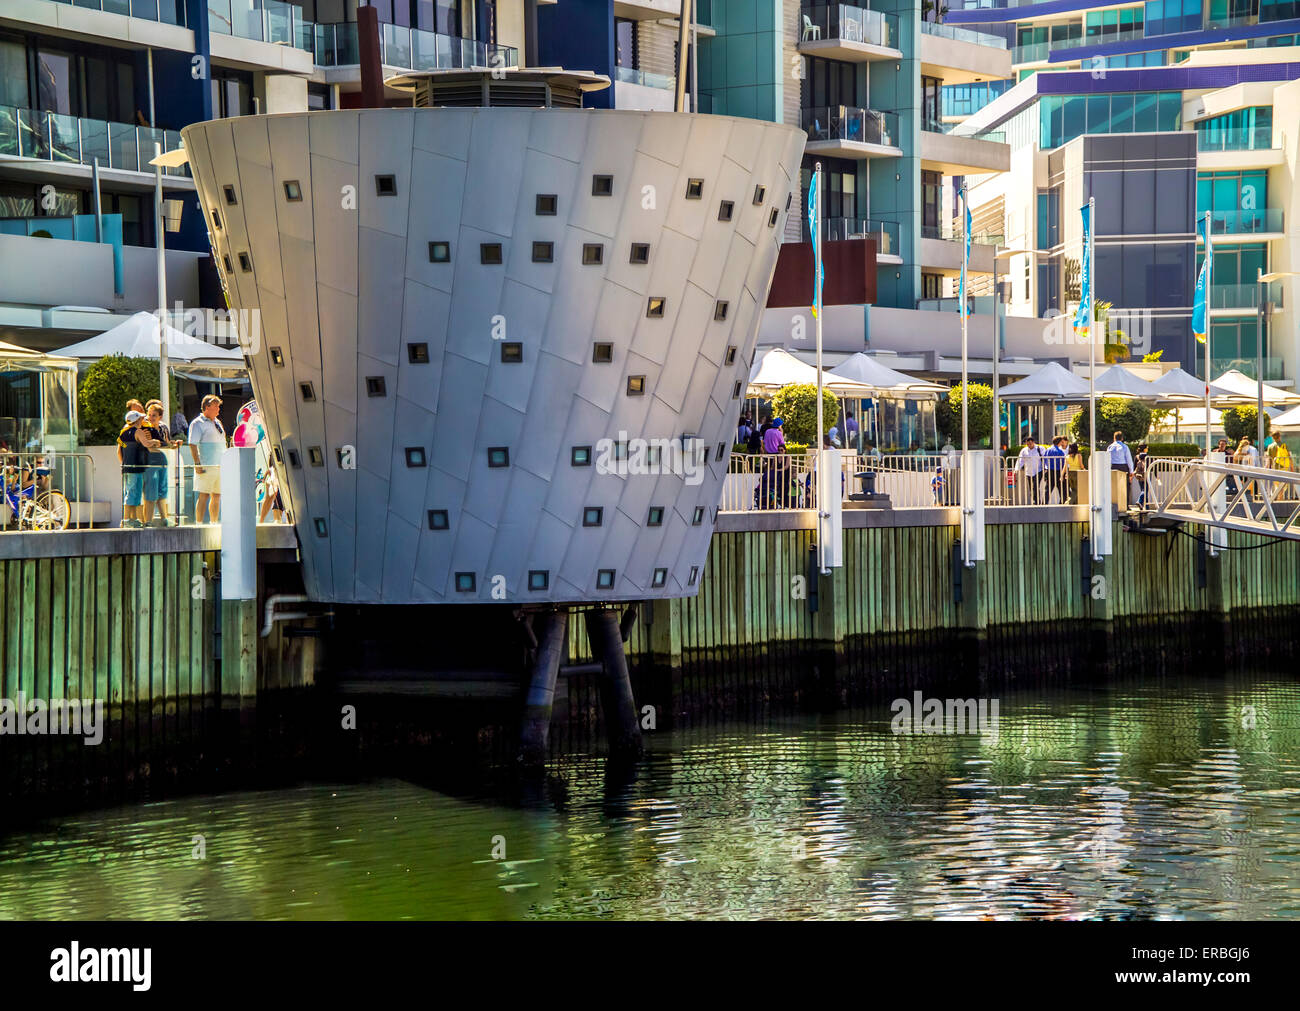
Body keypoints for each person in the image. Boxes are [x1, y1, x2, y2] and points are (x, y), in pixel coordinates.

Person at [188, 394, 227, 523]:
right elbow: (192, 444)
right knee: (203, 495)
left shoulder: (218, 422)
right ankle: (199, 523)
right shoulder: (197, 423)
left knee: (217, 495)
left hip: (219, 465)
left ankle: (214, 523)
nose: (218, 409)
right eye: (215, 406)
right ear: (206, 407)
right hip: (206, 465)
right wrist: (197, 464)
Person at [118, 410, 152, 527]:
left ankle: (130, 519)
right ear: (137, 421)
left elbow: (120, 450)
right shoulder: (138, 432)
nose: (142, 420)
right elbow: (146, 444)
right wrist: (156, 442)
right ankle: (126, 519)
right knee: (134, 493)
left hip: (126, 467)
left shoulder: (123, 434)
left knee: (129, 492)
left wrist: (124, 463)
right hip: (136, 468)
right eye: (141, 419)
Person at [1014, 435, 1044, 503]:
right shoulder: (1024, 450)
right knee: (1031, 487)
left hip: (1038, 470)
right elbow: (1020, 460)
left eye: (1030, 444)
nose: (1029, 445)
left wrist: (1045, 468)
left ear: (1033, 442)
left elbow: (1045, 458)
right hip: (1029, 472)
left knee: (1036, 486)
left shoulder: (1040, 448)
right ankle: (1035, 500)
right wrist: (1016, 469)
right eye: (1027, 444)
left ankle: (1036, 501)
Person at [1043, 436, 1067, 503]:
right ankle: (1062, 503)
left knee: (1048, 488)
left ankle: (1044, 503)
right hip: (1058, 471)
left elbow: (1044, 459)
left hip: (1049, 471)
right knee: (1062, 489)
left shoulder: (1048, 450)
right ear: (1059, 443)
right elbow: (1063, 462)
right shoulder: (1060, 451)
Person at [1132, 442, 1149, 508]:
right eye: (1147, 448)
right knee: (1145, 490)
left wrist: (1133, 475)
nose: (1147, 449)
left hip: (1139, 476)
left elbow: (1134, 467)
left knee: (1143, 490)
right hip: (1146, 476)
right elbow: (1153, 467)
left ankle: (1146, 507)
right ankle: (1139, 501)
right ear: (1144, 449)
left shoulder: (1137, 457)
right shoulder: (1148, 457)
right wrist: (1157, 477)